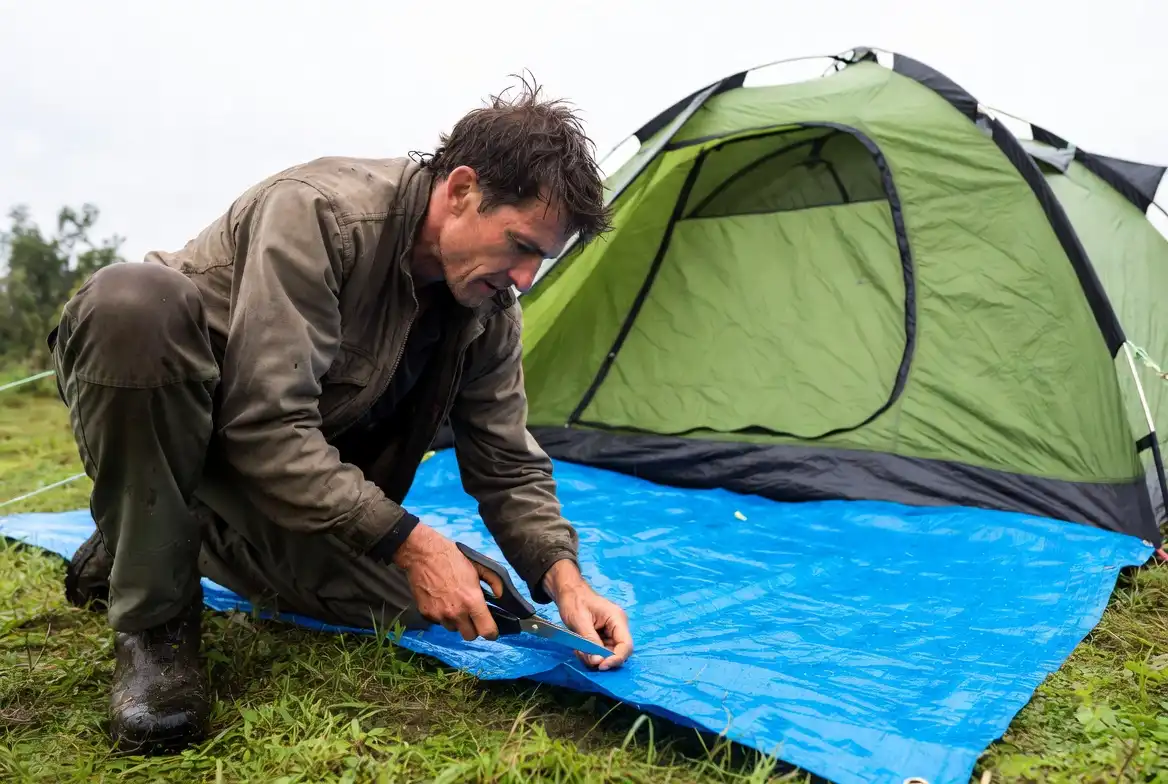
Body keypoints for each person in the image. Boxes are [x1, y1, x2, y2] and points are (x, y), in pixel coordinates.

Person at [49, 76, 634, 756]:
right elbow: (264, 427)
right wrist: (412, 541)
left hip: (294, 483)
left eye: (543, 257)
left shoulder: (488, 306)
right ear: (463, 189)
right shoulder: (319, 216)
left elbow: (504, 459)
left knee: (471, 601)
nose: (527, 278)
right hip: (186, 431)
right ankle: (155, 624)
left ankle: (163, 537)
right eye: (521, 245)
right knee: (132, 299)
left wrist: (564, 578)